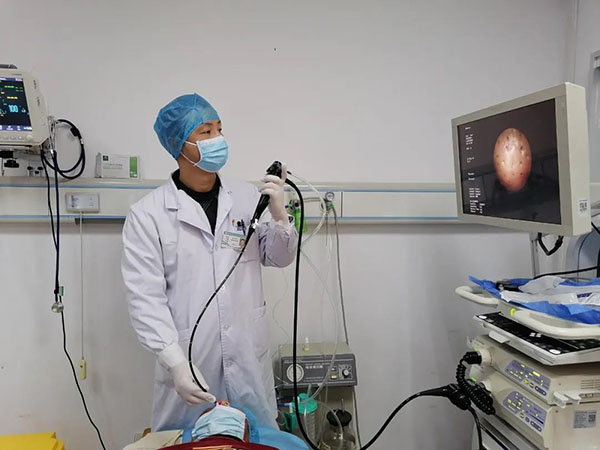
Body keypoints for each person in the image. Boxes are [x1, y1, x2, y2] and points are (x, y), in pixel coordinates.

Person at [121, 94, 298, 432]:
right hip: (191, 362)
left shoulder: (246, 197)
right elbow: (144, 299)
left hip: (247, 357)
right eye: (205, 132)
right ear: (179, 145)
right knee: (189, 440)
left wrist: (280, 217)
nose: (218, 138)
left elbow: (279, 257)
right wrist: (175, 362)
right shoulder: (148, 215)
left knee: (255, 436)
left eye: (219, 128)